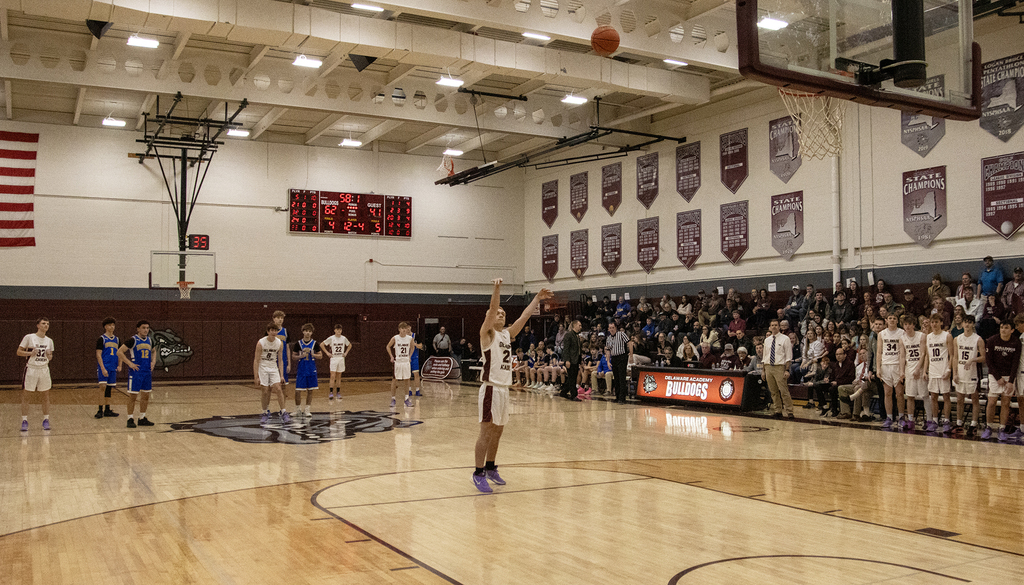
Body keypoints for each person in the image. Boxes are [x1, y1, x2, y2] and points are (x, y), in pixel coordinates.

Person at [473, 278, 552, 493]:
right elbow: (491, 309)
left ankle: (490, 467)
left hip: (503, 390)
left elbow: (524, 316)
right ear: (489, 317)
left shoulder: (507, 334)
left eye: (503, 313)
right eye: (498, 313)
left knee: (497, 433)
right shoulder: (486, 334)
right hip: (490, 387)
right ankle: (478, 472)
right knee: (485, 433)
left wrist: (536, 298)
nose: (501, 314)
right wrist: (497, 288)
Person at [981, 321, 1023, 441]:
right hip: (995, 376)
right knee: (992, 401)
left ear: (1012, 330)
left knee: (1005, 402)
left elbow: (1016, 363)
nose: (1003, 330)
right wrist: (998, 377)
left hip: (1009, 376)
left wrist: (1010, 381)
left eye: (1006, 328)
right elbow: (989, 362)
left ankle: (1002, 429)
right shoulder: (992, 341)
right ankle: (988, 427)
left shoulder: (1016, 342)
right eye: (1001, 327)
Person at [119, 320, 158, 428]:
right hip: (136, 372)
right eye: (143, 328)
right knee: (133, 396)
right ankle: (130, 418)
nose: (146, 330)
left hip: (147, 372)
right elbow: (119, 352)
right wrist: (129, 363)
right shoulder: (133, 340)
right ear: (138, 329)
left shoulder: (150, 340)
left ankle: (142, 417)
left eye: (147, 328)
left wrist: (153, 362)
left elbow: (154, 351)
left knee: (146, 395)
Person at [17, 318, 55, 431]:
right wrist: (30, 353)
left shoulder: (49, 341)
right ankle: (24, 420)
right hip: (32, 369)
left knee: (45, 396)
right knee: (27, 395)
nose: (46, 325)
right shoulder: (29, 337)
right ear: (38, 325)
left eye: (47, 324)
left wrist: (49, 355)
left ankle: (46, 419)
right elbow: (18, 352)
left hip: (44, 369)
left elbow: (50, 357)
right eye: (43, 323)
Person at [252, 322, 290, 424]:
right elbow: (256, 360)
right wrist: (256, 377)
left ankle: (283, 411)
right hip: (263, 367)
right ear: (268, 332)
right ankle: (265, 412)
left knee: (278, 388)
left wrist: (282, 375)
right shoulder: (261, 343)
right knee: (265, 390)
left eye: (275, 330)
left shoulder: (279, 343)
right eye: (272, 330)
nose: (274, 332)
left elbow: (281, 360)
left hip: (273, 367)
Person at [953, 315, 984, 434]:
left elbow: (983, 358)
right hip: (960, 371)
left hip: (972, 372)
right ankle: (959, 423)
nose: (967, 324)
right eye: (965, 322)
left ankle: (973, 424)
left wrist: (973, 359)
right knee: (960, 398)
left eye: (969, 322)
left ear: (973, 324)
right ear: (962, 323)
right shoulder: (957, 339)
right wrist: (954, 373)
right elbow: (955, 357)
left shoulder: (978, 339)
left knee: (974, 399)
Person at [877, 313, 905, 430]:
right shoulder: (881, 334)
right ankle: (889, 417)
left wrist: (903, 369)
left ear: (897, 321)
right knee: (887, 393)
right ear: (886, 320)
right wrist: (878, 368)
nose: (892, 320)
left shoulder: (902, 332)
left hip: (897, 365)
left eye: (894, 318)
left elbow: (903, 352)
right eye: (890, 318)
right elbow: (879, 352)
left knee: (899, 394)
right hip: (886, 365)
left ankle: (902, 417)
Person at [900, 315, 927, 431]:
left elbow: (923, 354)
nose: (907, 326)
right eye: (905, 324)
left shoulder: (921, 336)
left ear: (913, 325)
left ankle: (929, 419)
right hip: (909, 368)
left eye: (909, 324)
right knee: (910, 396)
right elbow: (902, 356)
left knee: (925, 396)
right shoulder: (902, 338)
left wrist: (918, 368)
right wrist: (902, 371)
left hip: (920, 368)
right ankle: (911, 420)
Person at [762, 319, 794, 419]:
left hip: (780, 366)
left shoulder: (785, 339)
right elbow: (765, 356)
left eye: (776, 325)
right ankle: (778, 410)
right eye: (772, 325)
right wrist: (763, 371)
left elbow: (788, 356)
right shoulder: (767, 340)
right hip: (768, 366)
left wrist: (787, 369)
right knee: (773, 391)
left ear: (779, 327)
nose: (774, 327)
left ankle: (789, 411)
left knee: (783, 390)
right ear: (770, 327)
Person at [291, 323, 322, 418]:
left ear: (312, 333)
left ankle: (307, 410)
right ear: (303, 331)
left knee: (310, 390)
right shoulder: (298, 344)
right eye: (306, 331)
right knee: (298, 390)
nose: (307, 333)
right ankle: (298, 410)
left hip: (311, 369)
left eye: (309, 331)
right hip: (301, 369)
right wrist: (301, 356)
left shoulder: (315, 343)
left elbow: (320, 356)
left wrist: (312, 354)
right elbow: (293, 356)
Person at [94, 317, 120, 419]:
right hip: (104, 367)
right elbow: (98, 354)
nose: (112, 327)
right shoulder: (102, 339)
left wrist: (120, 364)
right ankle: (100, 410)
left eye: (113, 325)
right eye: (109, 325)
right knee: (102, 387)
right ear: (105, 326)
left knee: (109, 388)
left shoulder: (117, 339)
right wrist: (102, 368)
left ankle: (107, 409)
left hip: (113, 367)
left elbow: (120, 353)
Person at [386, 323, 416, 409]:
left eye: (405, 328)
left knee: (407, 380)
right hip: (398, 362)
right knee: (395, 380)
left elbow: (412, 347)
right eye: (402, 328)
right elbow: (388, 346)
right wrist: (391, 356)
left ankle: (407, 399)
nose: (404, 330)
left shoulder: (410, 338)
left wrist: (410, 356)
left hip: (406, 362)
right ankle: (393, 399)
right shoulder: (395, 338)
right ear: (399, 329)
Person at [320, 324, 351, 400]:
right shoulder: (331, 338)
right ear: (334, 330)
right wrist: (327, 353)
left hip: (341, 358)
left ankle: (338, 392)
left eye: (340, 330)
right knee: (332, 376)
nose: (338, 331)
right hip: (334, 358)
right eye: (337, 330)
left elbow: (350, 345)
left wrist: (346, 353)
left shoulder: (343, 338)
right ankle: (331, 392)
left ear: (341, 330)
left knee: (339, 376)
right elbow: (322, 344)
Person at [605, 321, 632, 404]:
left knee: (621, 377)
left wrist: (631, 354)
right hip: (614, 358)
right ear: (608, 329)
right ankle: (617, 396)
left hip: (622, 357)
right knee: (616, 378)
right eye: (610, 328)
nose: (612, 329)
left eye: (613, 328)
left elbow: (629, 343)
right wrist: (608, 361)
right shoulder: (608, 338)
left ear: (615, 328)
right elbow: (608, 350)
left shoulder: (621, 334)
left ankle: (622, 398)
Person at [559, 319, 582, 401]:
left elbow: (578, 349)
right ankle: (574, 395)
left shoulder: (577, 336)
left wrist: (580, 360)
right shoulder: (568, 335)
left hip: (576, 360)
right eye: (579, 325)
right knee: (572, 378)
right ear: (574, 325)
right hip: (570, 360)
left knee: (572, 377)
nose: (580, 327)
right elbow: (566, 349)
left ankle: (563, 392)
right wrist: (567, 360)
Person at [272, 311, 290, 399]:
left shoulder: (285, 331)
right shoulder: (270, 331)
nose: (280, 320)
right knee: (271, 384)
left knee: (284, 383)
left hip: (283, 360)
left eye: (282, 318)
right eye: (278, 318)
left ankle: (283, 407)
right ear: (274, 319)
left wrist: (289, 363)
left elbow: (288, 348)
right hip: (272, 360)